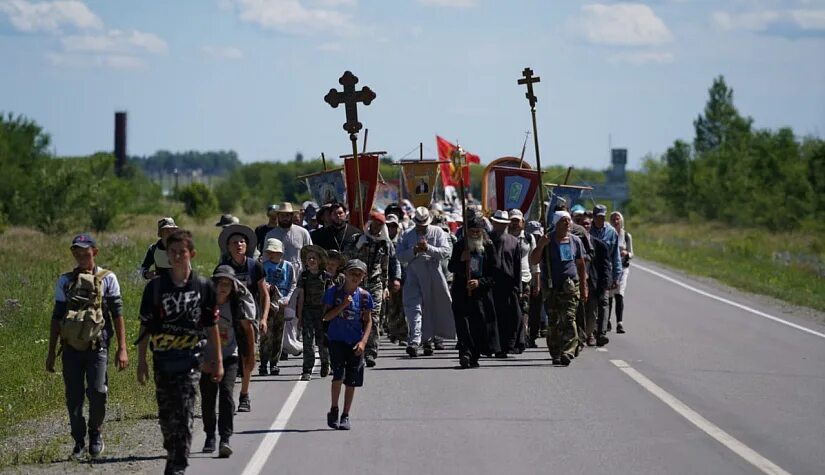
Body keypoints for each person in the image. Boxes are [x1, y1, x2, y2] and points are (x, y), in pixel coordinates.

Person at [137, 230, 223, 475]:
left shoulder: (203, 286)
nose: (176, 256)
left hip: (191, 359)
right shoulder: (155, 288)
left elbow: (211, 325)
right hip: (163, 359)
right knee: (167, 416)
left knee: (185, 410)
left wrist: (217, 360)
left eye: (181, 252)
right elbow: (145, 326)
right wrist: (141, 361)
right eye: (172, 252)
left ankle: (178, 465)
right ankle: (173, 452)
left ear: (191, 254)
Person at [47, 233, 128, 460]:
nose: (82, 255)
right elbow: (56, 318)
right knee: (73, 398)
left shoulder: (108, 278)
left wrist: (122, 348)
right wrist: (51, 353)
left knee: (98, 392)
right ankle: (79, 441)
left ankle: (96, 433)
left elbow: (117, 314)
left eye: (86, 251)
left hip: (97, 346)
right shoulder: (65, 281)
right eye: (78, 251)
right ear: (73, 253)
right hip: (70, 348)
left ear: (95, 251)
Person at [200, 265, 255, 458]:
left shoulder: (236, 304)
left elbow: (247, 329)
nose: (223, 287)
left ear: (233, 287)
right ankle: (209, 436)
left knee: (226, 395)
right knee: (207, 398)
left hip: (230, 355)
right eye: (219, 283)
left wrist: (249, 356)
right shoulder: (204, 303)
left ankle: (225, 438)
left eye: (227, 284)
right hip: (207, 358)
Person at [215, 224, 267, 410]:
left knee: (247, 356)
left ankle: (244, 396)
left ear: (247, 245)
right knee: (227, 357)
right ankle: (225, 395)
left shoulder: (255, 266)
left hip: (249, 317)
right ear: (228, 246)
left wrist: (263, 318)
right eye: (234, 242)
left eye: (242, 242)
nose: (239, 244)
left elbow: (264, 294)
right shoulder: (222, 268)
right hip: (227, 319)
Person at [396, 207, 455, 357]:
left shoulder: (438, 232)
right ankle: (415, 341)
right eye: (419, 224)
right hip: (414, 272)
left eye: (424, 224)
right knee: (413, 306)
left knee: (432, 306)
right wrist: (414, 251)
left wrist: (428, 248)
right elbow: (400, 255)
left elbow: (445, 252)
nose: (421, 226)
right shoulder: (407, 234)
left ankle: (429, 339)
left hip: (433, 271)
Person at [530, 211, 588, 366]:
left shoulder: (575, 241)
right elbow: (534, 260)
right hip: (551, 287)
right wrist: (541, 245)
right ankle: (555, 352)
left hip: (570, 286)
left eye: (569, 220)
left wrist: (583, 287)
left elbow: (581, 264)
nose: (568, 223)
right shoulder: (547, 240)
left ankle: (568, 351)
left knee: (569, 318)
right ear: (556, 223)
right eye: (564, 220)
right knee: (554, 321)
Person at [322, 259, 374, 431]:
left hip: (355, 342)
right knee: (338, 375)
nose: (355, 277)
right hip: (337, 339)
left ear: (363, 277)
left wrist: (363, 342)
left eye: (359, 274)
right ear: (345, 274)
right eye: (352, 273)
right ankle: (334, 408)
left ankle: (346, 414)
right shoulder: (334, 292)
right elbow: (326, 317)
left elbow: (368, 321)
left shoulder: (365, 296)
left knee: (351, 381)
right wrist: (343, 305)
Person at [449, 217, 500, 368]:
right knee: (462, 324)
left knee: (478, 325)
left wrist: (479, 282)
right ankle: (465, 353)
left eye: (478, 231)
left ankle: (474, 355)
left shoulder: (488, 247)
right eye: (472, 231)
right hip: (461, 292)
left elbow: (494, 273)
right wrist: (461, 260)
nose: (475, 234)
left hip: (480, 294)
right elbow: (452, 267)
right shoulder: (460, 246)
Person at [354, 211, 392, 367]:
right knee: (357, 316)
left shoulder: (384, 243)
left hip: (376, 283)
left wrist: (386, 286)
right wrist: (358, 246)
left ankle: (371, 352)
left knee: (373, 317)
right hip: (358, 282)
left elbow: (385, 266)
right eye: (375, 224)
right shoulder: (358, 239)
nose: (377, 228)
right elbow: (347, 258)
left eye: (380, 225)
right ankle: (357, 348)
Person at [259, 238, 297, 376]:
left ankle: (274, 363)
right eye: (269, 252)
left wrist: (287, 298)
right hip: (267, 303)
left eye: (274, 252)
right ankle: (263, 363)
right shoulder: (262, 266)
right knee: (265, 335)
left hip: (282, 302)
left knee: (278, 334)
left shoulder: (288, 266)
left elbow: (293, 284)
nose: (271, 254)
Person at [489, 210, 523, 356]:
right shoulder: (486, 239)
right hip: (490, 284)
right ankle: (493, 346)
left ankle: (509, 344)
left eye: (504, 224)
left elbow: (517, 266)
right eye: (498, 224)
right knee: (492, 317)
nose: (501, 227)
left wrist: (519, 287)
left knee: (512, 316)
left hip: (508, 285)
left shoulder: (514, 242)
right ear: (493, 223)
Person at [296, 245, 333, 380]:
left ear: (319, 260)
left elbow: (330, 298)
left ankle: (325, 363)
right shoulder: (304, 277)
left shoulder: (327, 277)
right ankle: (307, 369)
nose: (311, 260)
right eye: (309, 258)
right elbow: (301, 297)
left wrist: (327, 316)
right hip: (307, 312)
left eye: (314, 258)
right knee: (308, 342)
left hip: (323, 313)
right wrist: (300, 317)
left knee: (322, 341)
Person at [589, 204, 622, 345]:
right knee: (591, 303)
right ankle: (591, 332)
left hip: (605, 271)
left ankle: (601, 333)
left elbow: (616, 256)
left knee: (604, 301)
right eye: (598, 217)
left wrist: (617, 275)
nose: (600, 219)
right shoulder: (587, 231)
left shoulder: (611, 232)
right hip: (591, 270)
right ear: (594, 217)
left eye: (603, 217)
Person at [509, 209, 537, 350]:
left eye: (517, 221)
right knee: (511, 310)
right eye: (512, 220)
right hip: (509, 279)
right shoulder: (505, 237)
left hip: (525, 278)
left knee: (524, 310)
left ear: (523, 222)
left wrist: (536, 281)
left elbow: (534, 260)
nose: (514, 223)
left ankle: (523, 337)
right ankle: (512, 338)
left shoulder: (528, 238)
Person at [264, 202, 313, 274]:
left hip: (299, 277)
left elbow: (310, 254)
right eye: (282, 215)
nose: (285, 218)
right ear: (278, 216)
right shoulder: (270, 235)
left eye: (287, 215)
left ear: (292, 216)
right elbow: (266, 258)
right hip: (277, 277)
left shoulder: (303, 233)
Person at [383, 213, 408, 345]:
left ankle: (403, 335)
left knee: (403, 307)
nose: (391, 228)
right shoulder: (383, 240)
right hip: (387, 277)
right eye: (388, 225)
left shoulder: (402, 240)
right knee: (392, 308)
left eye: (393, 225)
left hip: (402, 278)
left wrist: (398, 278)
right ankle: (394, 332)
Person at [609, 211, 633, 334]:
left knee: (619, 293)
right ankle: (606, 321)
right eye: (613, 219)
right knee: (609, 295)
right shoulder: (608, 233)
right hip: (610, 267)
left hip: (623, 268)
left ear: (621, 220)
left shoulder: (626, 235)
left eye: (617, 219)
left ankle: (619, 323)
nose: (615, 221)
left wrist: (626, 253)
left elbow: (631, 253)